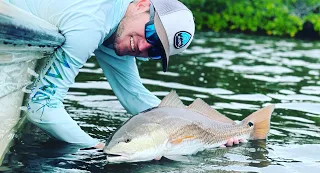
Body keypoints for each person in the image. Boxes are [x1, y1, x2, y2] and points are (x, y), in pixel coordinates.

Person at [6, 0, 240, 149]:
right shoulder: (92, 22)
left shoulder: (118, 28)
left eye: (156, 51)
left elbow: (135, 97)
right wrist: (99, 148)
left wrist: (220, 129)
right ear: (141, 4)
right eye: (151, 34)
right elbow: (42, 108)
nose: (143, 47)